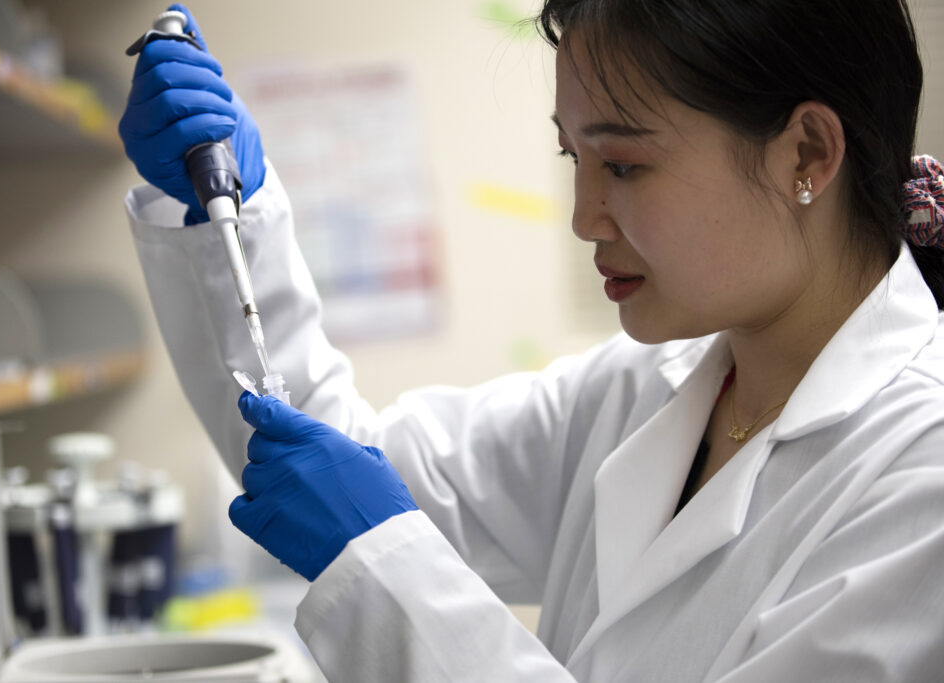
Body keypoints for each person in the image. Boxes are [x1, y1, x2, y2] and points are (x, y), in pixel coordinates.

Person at [120, 1, 944, 680]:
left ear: (807, 153)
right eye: (571, 156)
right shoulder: (642, 390)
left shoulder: (922, 476)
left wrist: (389, 575)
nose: (583, 216)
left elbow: (370, 534)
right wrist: (225, 216)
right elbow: (316, 455)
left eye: (622, 165)